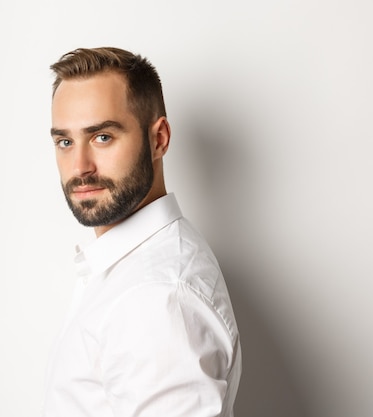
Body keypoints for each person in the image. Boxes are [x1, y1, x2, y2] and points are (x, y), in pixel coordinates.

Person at [43, 47, 241, 417]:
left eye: (102, 137)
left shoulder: (156, 297)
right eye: (65, 142)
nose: (80, 167)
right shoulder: (132, 271)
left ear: (159, 139)